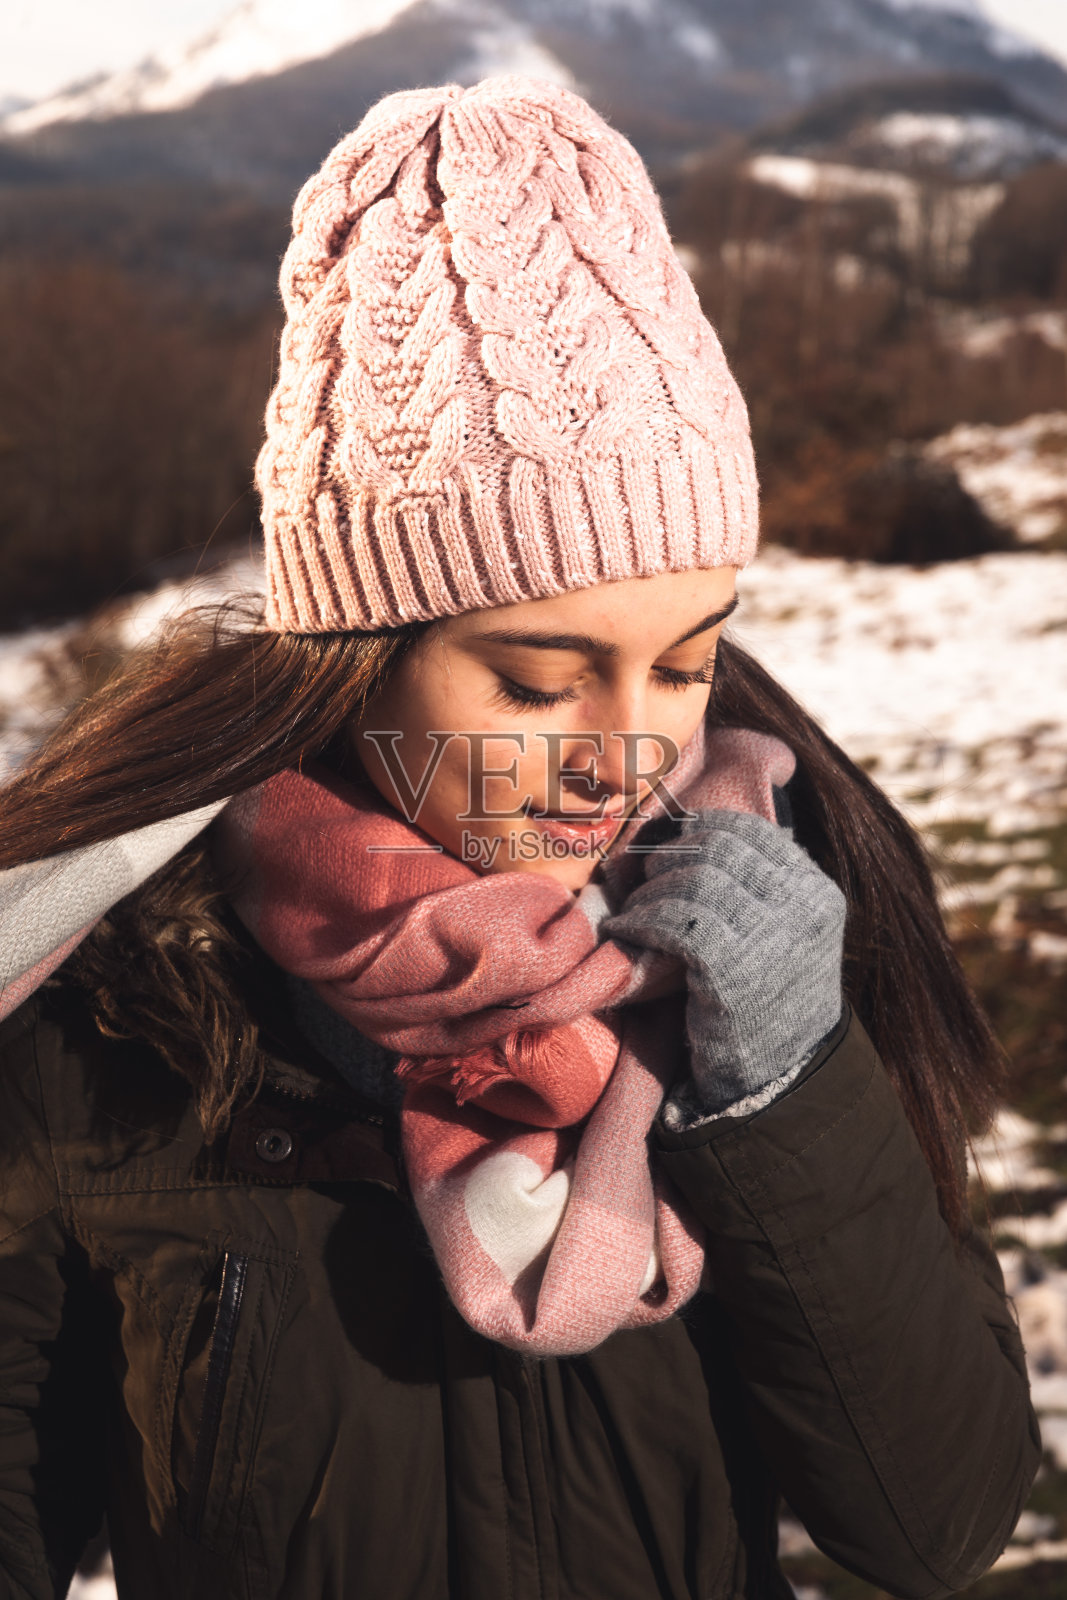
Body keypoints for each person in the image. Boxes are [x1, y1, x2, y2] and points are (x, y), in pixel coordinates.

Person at [0, 76, 1039, 1600]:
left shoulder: (768, 937)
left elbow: (935, 1523)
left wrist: (788, 1084)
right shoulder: (127, 1008)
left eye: (685, 662)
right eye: (540, 681)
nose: (626, 751)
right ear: (354, 649)